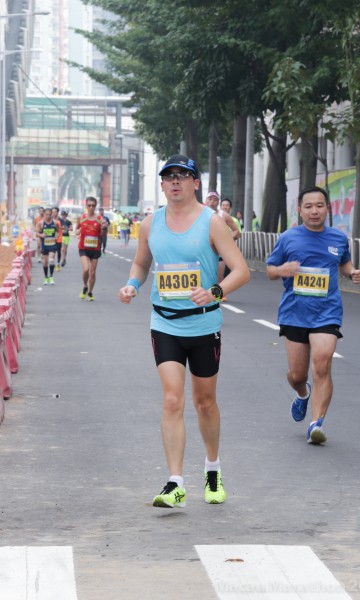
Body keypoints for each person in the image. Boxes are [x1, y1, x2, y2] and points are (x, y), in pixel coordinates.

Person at [119, 154, 250, 509]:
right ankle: (175, 482)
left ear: (195, 182)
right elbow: (141, 263)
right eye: (169, 176)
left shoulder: (212, 222)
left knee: (204, 402)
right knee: (172, 399)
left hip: (204, 323)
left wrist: (214, 292)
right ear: (162, 184)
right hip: (164, 322)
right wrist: (132, 284)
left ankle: (212, 469)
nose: (175, 181)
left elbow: (241, 270)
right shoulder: (150, 224)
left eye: (183, 175)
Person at [266, 186, 360, 445]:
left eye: (319, 205)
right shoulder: (288, 238)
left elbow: (344, 263)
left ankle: (316, 423)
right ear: (299, 210)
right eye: (308, 206)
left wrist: (352, 272)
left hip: (327, 312)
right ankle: (302, 393)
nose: (314, 211)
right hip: (294, 313)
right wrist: (282, 270)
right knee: (297, 375)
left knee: (322, 363)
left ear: (327, 208)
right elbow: (270, 270)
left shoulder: (338, 238)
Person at [205, 191, 241, 297]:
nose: (212, 202)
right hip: (204, 250)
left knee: (219, 278)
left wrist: (226, 240)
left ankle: (218, 297)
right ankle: (204, 296)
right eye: (210, 199)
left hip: (220, 251)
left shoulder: (223, 215)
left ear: (218, 202)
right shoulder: (199, 214)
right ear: (206, 201)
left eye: (215, 199)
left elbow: (237, 231)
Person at [75, 196, 105, 301]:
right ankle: (85, 285)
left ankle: (90, 292)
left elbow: (102, 234)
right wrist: (77, 231)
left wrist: (104, 229)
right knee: (86, 269)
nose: (91, 207)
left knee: (92, 272)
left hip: (95, 249)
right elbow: (76, 229)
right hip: (83, 248)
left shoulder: (100, 219)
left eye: (93, 205)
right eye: (89, 205)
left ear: (95, 206)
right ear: (86, 206)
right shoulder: (81, 218)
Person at [36, 207, 59, 285]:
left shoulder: (55, 223)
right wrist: (41, 235)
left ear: (51, 215)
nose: (48, 216)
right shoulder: (40, 223)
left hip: (52, 244)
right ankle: (46, 277)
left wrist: (56, 236)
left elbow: (58, 231)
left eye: (50, 214)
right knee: (45, 262)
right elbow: (36, 233)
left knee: (51, 260)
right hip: (44, 245)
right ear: (44, 214)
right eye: (47, 214)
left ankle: (51, 277)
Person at [52, 207, 63, 271]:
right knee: (52, 251)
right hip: (51, 239)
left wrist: (60, 227)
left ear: (57, 212)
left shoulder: (60, 220)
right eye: (52, 212)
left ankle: (58, 263)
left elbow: (64, 227)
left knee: (58, 251)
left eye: (55, 212)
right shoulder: (50, 219)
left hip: (59, 239)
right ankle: (52, 263)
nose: (54, 213)